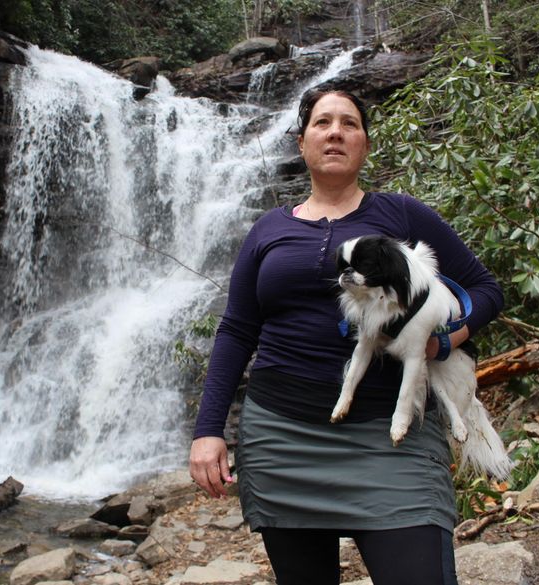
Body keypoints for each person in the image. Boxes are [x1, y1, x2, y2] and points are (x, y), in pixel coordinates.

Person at [188, 79, 504, 585]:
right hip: (281, 436)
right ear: (302, 142)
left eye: (349, 124)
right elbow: (236, 329)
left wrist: (442, 341)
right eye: (322, 123)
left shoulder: (402, 214)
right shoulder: (268, 230)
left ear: (365, 143)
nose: (335, 133)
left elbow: (486, 290)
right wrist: (208, 431)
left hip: (392, 436)